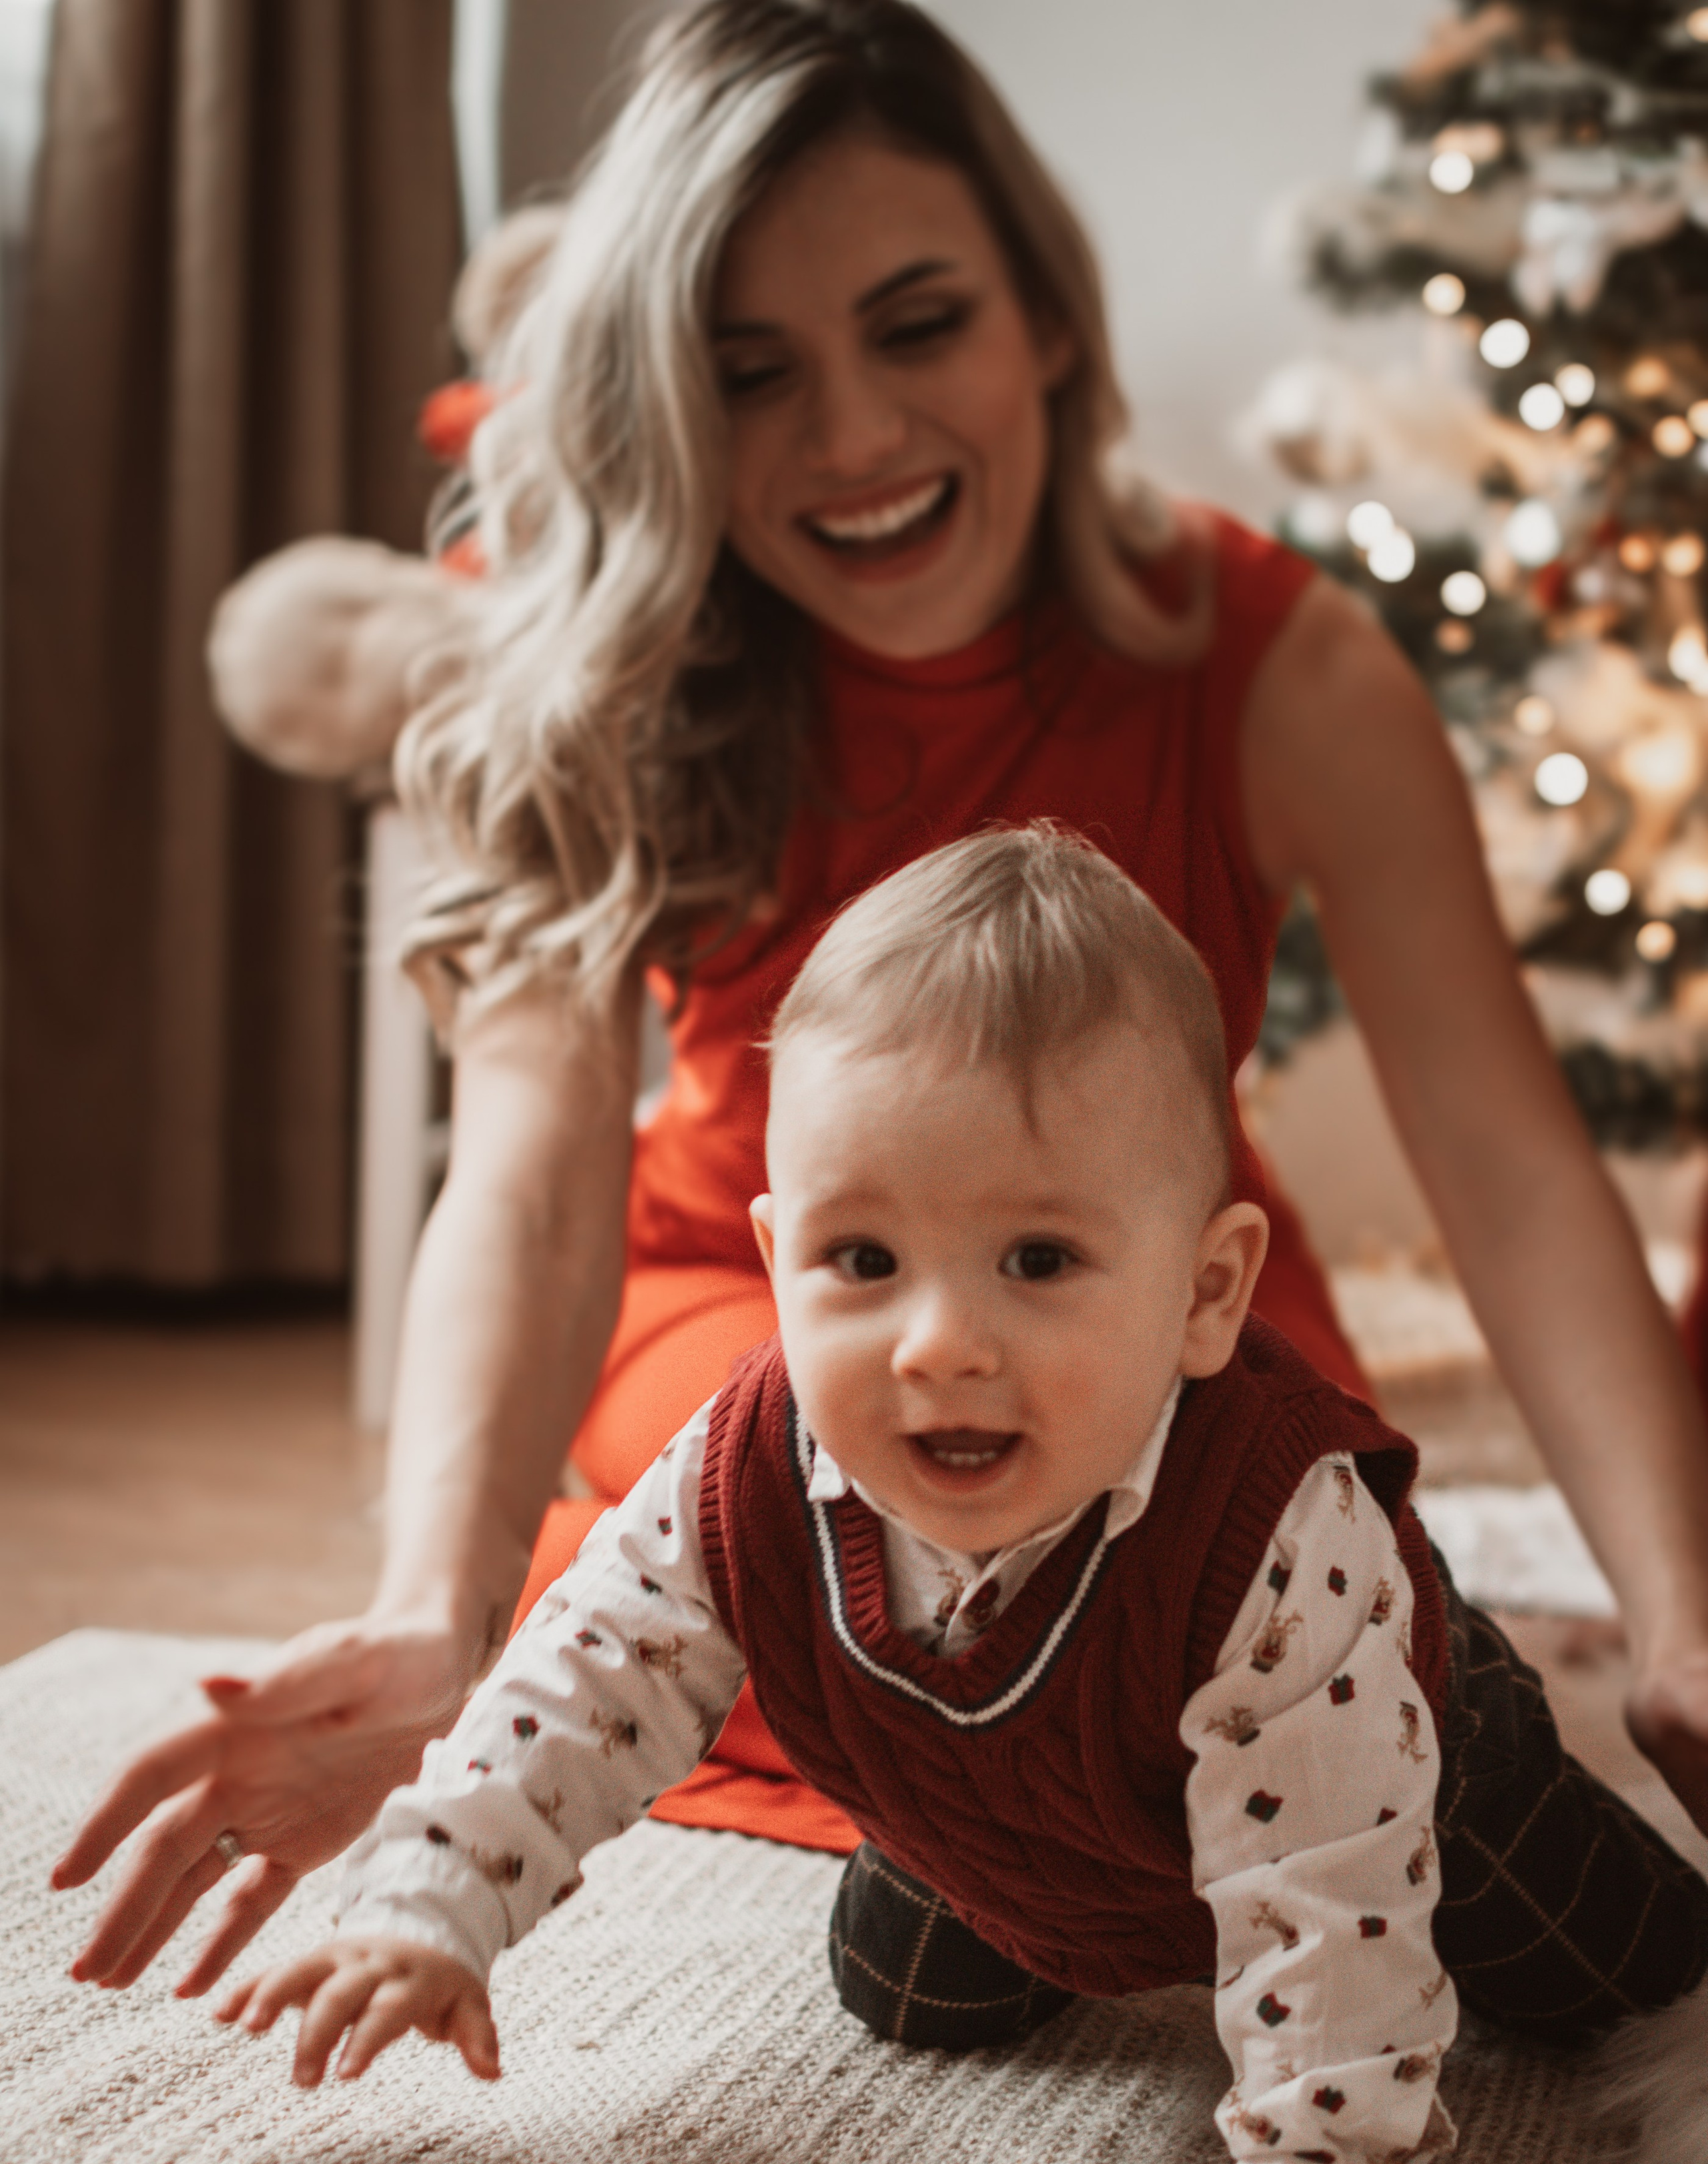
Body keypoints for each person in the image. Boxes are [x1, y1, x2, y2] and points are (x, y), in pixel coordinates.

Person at [53, 0, 1708, 1998]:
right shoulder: (603, 676)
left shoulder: (1276, 666)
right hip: (753, 1314)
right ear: (669, 407)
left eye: (916, 326)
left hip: (1144, 1288)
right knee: (823, 1523)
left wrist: (1682, 1610)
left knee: (1288, 1568)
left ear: (1050, 326)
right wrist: (433, 1608)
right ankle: (989, 1829)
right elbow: (529, 1173)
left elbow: (1512, 1169)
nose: (847, 438)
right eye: (750, 375)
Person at [216, 833, 1708, 2164]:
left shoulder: (1281, 1537)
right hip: (1018, 1797)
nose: (938, 1345)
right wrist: (430, 1899)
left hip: (1405, 1769)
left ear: (1207, 1294)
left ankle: (1571, 1897)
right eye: (861, 1260)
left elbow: (1327, 1898)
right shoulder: (745, 1459)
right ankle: (1079, 1880)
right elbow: (583, 1682)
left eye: (1038, 1260)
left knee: (1615, 1966)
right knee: (905, 1998)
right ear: (774, 1256)